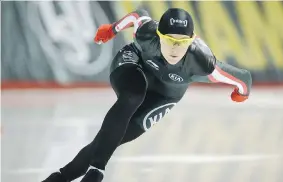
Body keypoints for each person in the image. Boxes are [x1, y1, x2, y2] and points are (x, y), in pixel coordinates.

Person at [42, 8, 252, 182]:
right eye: (169, 40)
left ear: (192, 41)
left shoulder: (202, 62)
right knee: (133, 95)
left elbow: (243, 78)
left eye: (182, 43)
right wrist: (112, 30)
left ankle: (60, 178)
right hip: (135, 65)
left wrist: (241, 92)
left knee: (116, 137)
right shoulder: (146, 34)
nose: (174, 48)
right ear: (158, 36)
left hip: (165, 94)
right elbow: (137, 16)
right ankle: (97, 170)